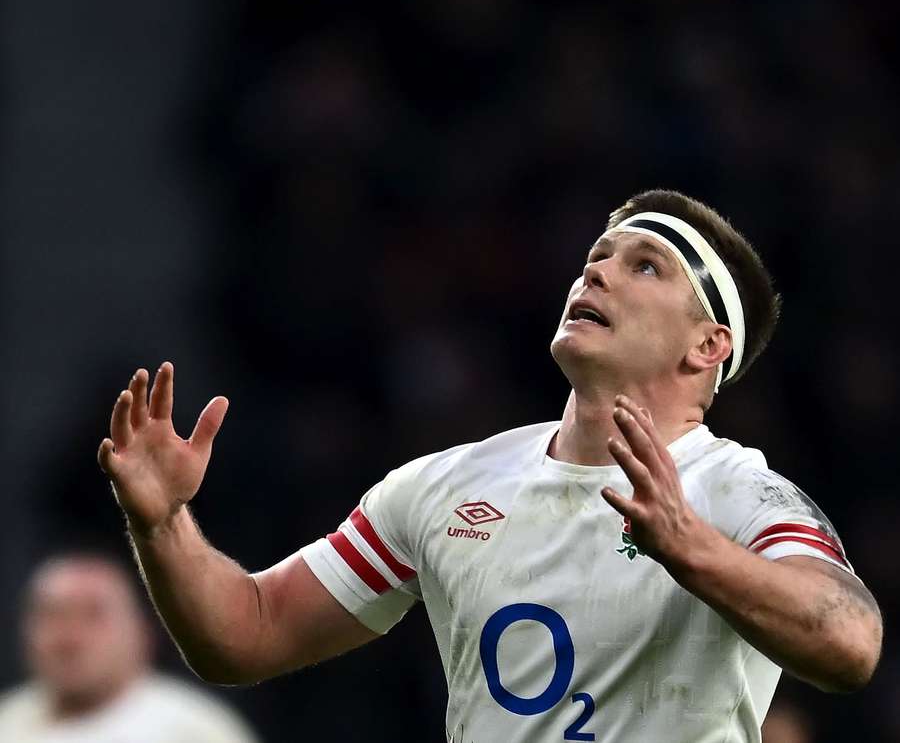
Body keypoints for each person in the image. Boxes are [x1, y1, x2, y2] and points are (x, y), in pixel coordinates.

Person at [98, 189, 883, 742]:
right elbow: (246, 633)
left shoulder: (741, 493)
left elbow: (851, 642)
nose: (596, 273)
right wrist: (161, 520)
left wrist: (691, 546)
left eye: (644, 265)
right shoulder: (445, 486)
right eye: (596, 256)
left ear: (707, 345)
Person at [0, 554, 261, 743]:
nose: (69, 637)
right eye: (52, 614)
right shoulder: (8, 722)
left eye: (93, 615)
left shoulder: (193, 730)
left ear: (141, 631)